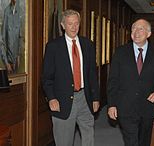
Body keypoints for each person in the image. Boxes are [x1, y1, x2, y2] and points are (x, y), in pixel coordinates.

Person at [42, 9, 100, 146]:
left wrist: (96, 97)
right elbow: (46, 77)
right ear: (63, 25)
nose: (74, 27)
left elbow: (92, 73)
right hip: (62, 100)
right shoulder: (53, 47)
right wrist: (51, 98)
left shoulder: (88, 45)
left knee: (88, 136)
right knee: (64, 141)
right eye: (70, 24)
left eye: (76, 23)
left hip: (85, 98)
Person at [107, 19, 154, 146]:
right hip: (125, 107)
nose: (136, 32)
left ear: (149, 33)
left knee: (144, 142)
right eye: (134, 28)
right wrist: (112, 104)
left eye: (141, 29)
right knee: (131, 141)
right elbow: (113, 80)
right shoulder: (120, 52)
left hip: (147, 107)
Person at [1, 0, 22, 73]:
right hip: (9, 64)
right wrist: (6, 63)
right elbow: (2, 41)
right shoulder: (6, 12)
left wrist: (19, 55)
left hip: (17, 64)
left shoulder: (20, 11)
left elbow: (20, 37)